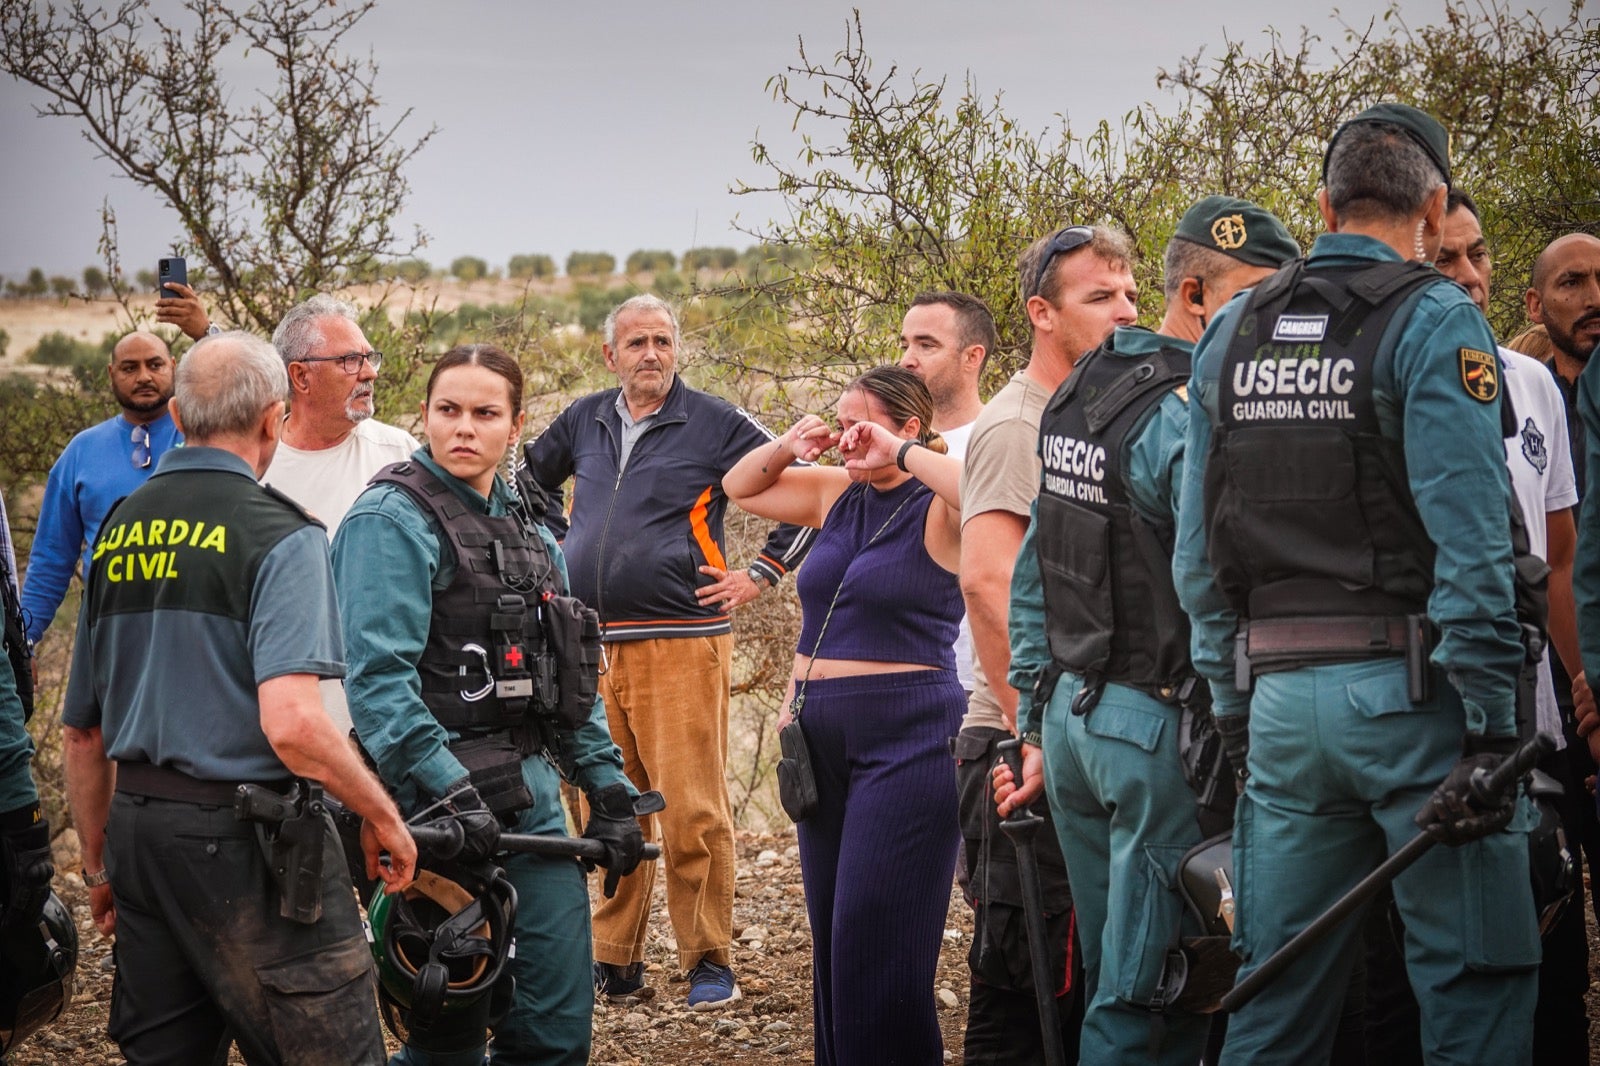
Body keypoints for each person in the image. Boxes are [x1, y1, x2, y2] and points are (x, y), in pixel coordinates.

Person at [1173, 103, 1539, 1065]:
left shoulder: (1232, 330)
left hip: (1282, 707)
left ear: (1327, 203)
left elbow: (1198, 551)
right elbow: (1473, 548)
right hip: (1416, 704)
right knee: (1474, 985)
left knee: (1276, 997)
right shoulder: (1435, 317)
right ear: (1432, 210)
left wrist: (1234, 706)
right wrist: (1497, 728)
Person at [994, 196, 1298, 1065]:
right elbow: (1210, 586)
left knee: (1113, 970)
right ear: (1198, 299)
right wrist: (1236, 729)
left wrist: (1035, 721)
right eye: (1259, 297)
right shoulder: (1179, 409)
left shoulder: (1081, 389)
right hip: (1157, 730)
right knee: (1157, 992)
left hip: (1077, 720)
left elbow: (1034, 577)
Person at [59, 330, 417, 1065]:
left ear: (182, 419)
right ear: (271, 420)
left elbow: (82, 736)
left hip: (141, 836)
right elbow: (292, 725)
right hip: (249, 842)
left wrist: (102, 865)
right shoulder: (279, 534)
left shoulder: (120, 529)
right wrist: (382, 812)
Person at [334, 343, 643, 1065]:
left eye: (484, 413)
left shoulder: (533, 530)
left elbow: (570, 679)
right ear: (426, 416)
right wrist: (451, 792)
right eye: (449, 410)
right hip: (432, 819)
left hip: (533, 808)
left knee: (555, 1035)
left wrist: (609, 787)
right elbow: (378, 684)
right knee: (450, 1036)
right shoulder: (391, 519)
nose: (464, 428)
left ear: (515, 424)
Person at [520, 293, 814, 1008]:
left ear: (675, 349)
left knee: (691, 809)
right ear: (609, 355)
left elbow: (803, 490)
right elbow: (525, 481)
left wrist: (762, 573)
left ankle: (707, 958)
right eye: (636, 343)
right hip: (589, 645)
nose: (650, 353)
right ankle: (614, 960)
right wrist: (556, 546)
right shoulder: (585, 418)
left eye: (662, 341)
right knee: (607, 806)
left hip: (682, 639)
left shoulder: (711, 420)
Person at [723, 365, 965, 1066]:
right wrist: (791, 443)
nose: (849, 437)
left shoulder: (937, 503)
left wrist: (902, 455)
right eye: (841, 421)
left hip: (910, 732)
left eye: (865, 423)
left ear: (910, 427)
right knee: (833, 941)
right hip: (818, 733)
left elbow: (990, 491)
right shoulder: (836, 494)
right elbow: (742, 487)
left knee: (874, 938)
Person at [956, 226, 1141, 1062]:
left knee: (1084, 980)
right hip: (1015, 741)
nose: (1124, 311)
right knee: (1026, 977)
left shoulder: (1096, 413)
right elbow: (989, 584)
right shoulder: (1015, 426)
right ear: (1041, 313)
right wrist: (1030, 732)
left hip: (1077, 734)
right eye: (1099, 297)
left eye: (1131, 293)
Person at [1430, 191, 1587, 1064]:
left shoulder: (1529, 385)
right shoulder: (1392, 379)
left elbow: (1558, 561)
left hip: (1536, 719)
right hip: (1435, 724)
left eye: (1477, 256)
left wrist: (1582, 685)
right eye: (1444, 260)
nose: (1468, 276)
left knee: (1553, 948)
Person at [263, 294, 420, 734]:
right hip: (288, 722)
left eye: (369, 358)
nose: (369, 372)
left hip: (389, 724)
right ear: (300, 376)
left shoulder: (399, 454)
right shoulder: (258, 463)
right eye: (350, 360)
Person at [21, 332, 182, 644]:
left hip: (191, 626)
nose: (144, 377)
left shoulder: (204, 437)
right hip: (107, 634)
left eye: (155, 365)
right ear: (111, 374)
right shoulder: (82, 451)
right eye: (129, 368)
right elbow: (51, 559)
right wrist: (24, 642)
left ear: (174, 367)